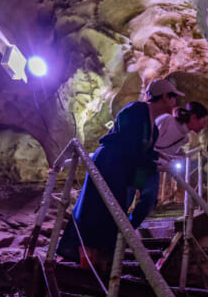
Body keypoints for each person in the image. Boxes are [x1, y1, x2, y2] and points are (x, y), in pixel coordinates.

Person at [57, 78, 183, 271]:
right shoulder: (135, 110)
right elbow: (128, 144)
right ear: (166, 96)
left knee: (114, 213)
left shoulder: (153, 128)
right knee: (97, 209)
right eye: (174, 97)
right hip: (109, 164)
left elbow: (143, 150)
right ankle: (88, 265)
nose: (176, 102)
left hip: (123, 170)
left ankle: (103, 265)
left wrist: (160, 157)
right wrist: (154, 164)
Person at [128, 101, 208, 228]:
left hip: (151, 167)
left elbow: (166, 153)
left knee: (149, 199)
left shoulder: (185, 138)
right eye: (203, 122)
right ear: (193, 118)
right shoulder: (167, 120)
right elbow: (150, 140)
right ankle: (118, 228)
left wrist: (175, 158)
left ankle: (129, 228)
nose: (204, 126)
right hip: (140, 164)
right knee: (129, 195)